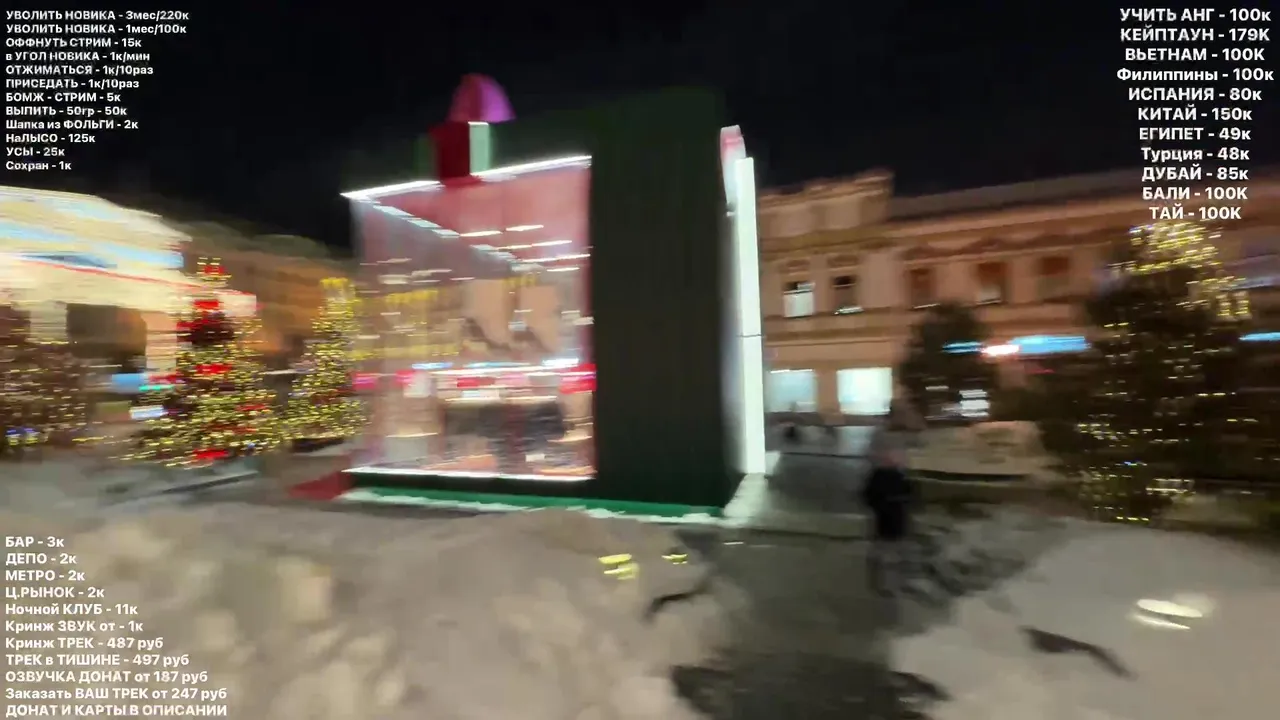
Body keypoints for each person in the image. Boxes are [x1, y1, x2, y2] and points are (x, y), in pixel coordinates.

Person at [861, 398, 924, 595]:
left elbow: (921, 442)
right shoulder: (884, 433)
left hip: (895, 483)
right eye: (903, 412)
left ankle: (892, 577)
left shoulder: (903, 433)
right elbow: (876, 457)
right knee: (888, 534)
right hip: (885, 484)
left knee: (898, 532)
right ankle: (883, 579)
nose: (906, 416)